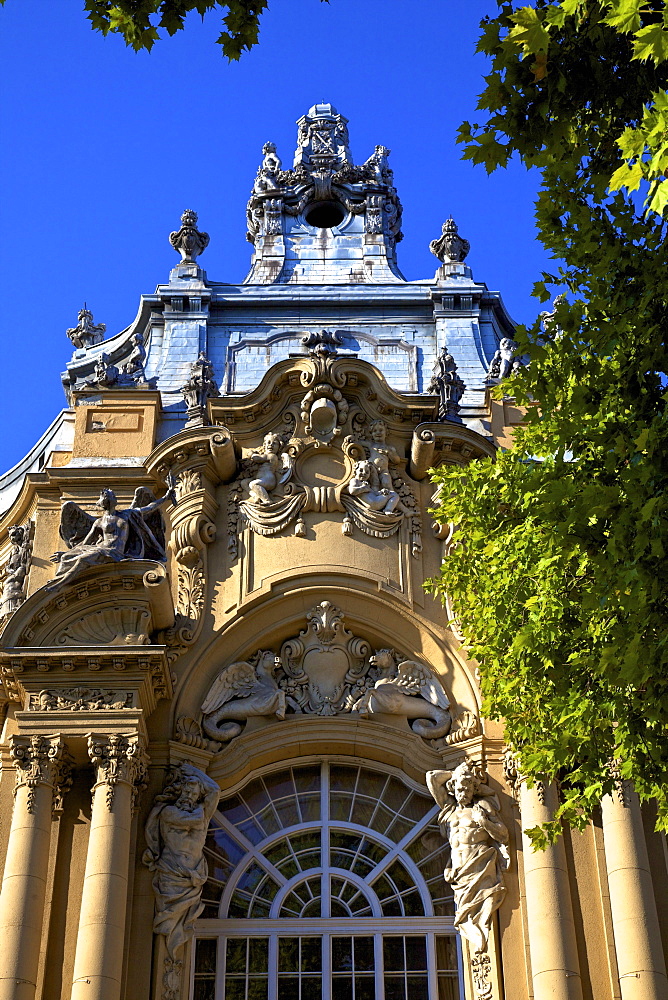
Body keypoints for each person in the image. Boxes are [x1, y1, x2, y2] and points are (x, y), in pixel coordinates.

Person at [427, 761, 509, 955]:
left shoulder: (483, 807)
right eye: (459, 787)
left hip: (480, 866)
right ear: (453, 788)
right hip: (459, 873)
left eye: (467, 788)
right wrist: (458, 773)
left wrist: (484, 823)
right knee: (466, 915)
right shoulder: (449, 811)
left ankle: (481, 944)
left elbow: (504, 835)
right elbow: (431, 777)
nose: (462, 792)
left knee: (483, 913)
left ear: (474, 789)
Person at [143, 763, 220, 958]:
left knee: (180, 928)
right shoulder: (169, 812)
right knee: (169, 928)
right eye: (185, 791)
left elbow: (215, 791)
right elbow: (192, 821)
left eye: (193, 793)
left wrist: (193, 771)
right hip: (172, 874)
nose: (188, 796)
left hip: (192, 877)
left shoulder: (201, 812)